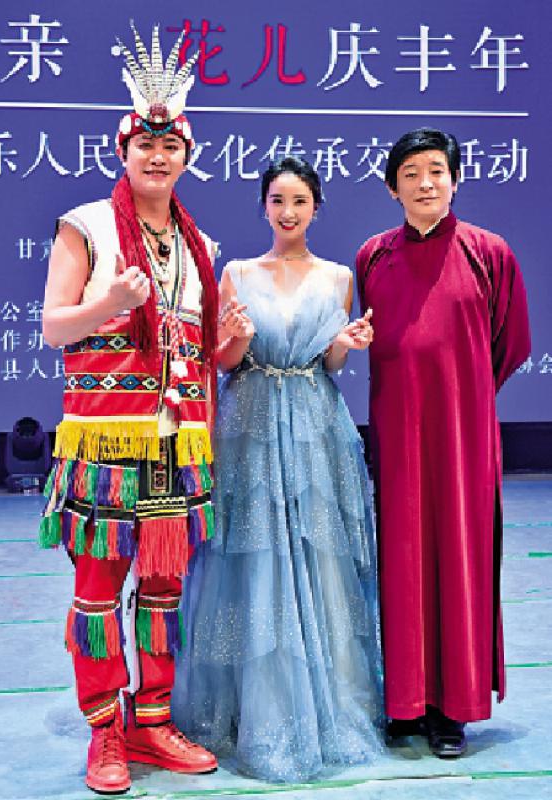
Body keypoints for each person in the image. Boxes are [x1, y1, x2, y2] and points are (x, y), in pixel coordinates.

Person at [38, 24, 219, 794]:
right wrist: (107, 301)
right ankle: (104, 731)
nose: (156, 156)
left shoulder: (199, 247)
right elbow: (53, 328)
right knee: (97, 593)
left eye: (169, 145)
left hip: (173, 445)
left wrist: (231, 342)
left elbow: (200, 354)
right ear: (123, 151)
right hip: (104, 447)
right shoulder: (84, 226)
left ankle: (152, 721)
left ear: (185, 157)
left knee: (162, 591)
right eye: (144, 144)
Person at [173, 157, 384, 782]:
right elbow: (224, 361)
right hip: (251, 425)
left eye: (299, 201)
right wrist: (235, 337)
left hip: (316, 425)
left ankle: (329, 705)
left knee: (319, 552)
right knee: (253, 557)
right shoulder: (236, 273)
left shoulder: (340, 277)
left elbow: (332, 365)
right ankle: (250, 712)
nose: (288, 212)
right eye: (277, 200)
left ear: (317, 207)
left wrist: (346, 345)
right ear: (263, 206)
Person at [356, 128, 531, 758]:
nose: (425, 183)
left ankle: (452, 709)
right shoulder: (372, 256)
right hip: (398, 437)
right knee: (402, 563)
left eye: (436, 170)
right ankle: (406, 704)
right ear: (392, 188)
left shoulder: (490, 252)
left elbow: (511, 343)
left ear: (455, 179)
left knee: (460, 561)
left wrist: (464, 393)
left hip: (464, 438)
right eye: (410, 173)